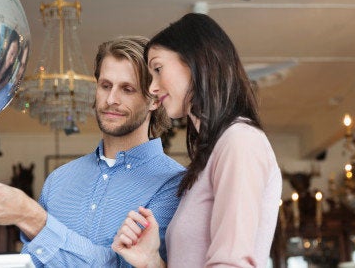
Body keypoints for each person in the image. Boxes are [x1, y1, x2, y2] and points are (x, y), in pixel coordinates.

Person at [0, 36, 185, 267]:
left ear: (154, 99)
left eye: (127, 89)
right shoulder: (59, 179)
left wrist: (32, 218)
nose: (111, 99)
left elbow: (127, 265)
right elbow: (33, 262)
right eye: (105, 86)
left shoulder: (174, 184)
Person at [112, 13, 282, 267]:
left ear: (195, 61)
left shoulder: (240, 141)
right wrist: (151, 261)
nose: (152, 88)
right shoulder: (212, 157)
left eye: (158, 69)